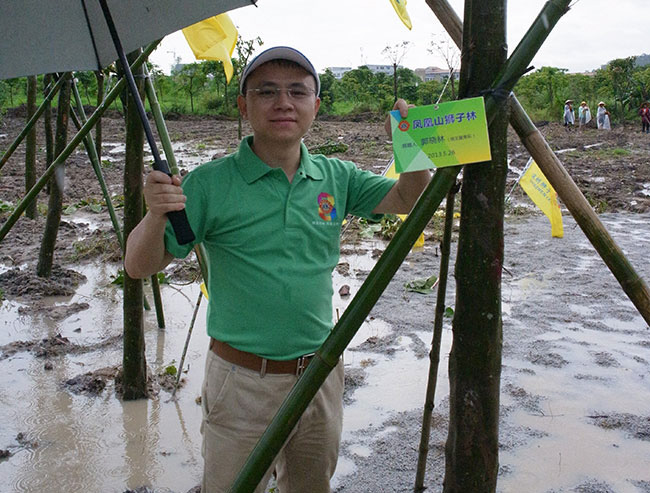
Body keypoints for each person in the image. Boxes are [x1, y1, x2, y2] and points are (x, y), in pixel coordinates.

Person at [124, 46, 431, 493]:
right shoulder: (209, 184)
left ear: (316, 106)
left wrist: (412, 146)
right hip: (241, 381)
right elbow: (138, 265)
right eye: (266, 91)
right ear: (244, 106)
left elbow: (407, 199)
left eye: (296, 92)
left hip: (318, 376)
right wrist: (155, 214)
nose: (283, 103)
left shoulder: (336, 178)